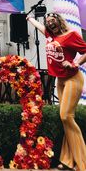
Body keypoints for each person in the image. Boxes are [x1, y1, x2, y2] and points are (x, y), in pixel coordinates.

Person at [27, 12, 86, 171]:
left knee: (66, 116)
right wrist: (30, 18)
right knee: (67, 119)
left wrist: (75, 64)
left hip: (73, 78)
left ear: (59, 21)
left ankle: (83, 163)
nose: (50, 23)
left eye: (53, 21)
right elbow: (40, 28)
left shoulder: (71, 35)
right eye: (48, 22)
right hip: (60, 81)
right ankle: (67, 161)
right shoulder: (49, 35)